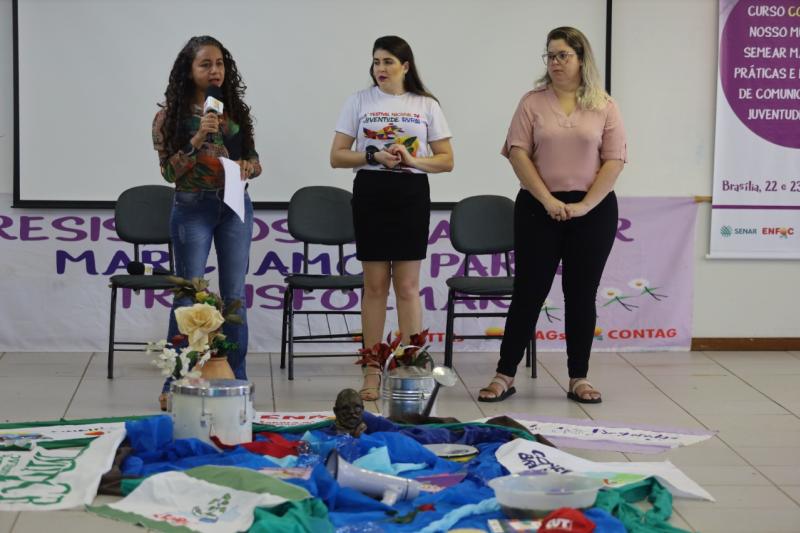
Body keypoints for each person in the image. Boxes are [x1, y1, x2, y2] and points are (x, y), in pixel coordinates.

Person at [479, 27, 626, 404]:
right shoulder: (532, 102)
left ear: (581, 58)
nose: (555, 62)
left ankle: (579, 377)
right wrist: (546, 200)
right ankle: (504, 374)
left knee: (581, 294)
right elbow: (517, 153)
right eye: (550, 56)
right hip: (536, 207)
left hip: (592, 210)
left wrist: (585, 205)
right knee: (528, 292)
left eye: (563, 55)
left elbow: (614, 160)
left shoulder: (604, 105)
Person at [330, 35, 454, 401]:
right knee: (374, 286)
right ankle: (372, 368)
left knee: (407, 287)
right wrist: (372, 156)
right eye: (376, 62)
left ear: (405, 66)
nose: (380, 68)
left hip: (410, 193)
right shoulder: (359, 100)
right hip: (371, 192)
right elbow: (337, 156)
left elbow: (446, 160)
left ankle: (410, 365)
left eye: (388, 62)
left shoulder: (425, 104)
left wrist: (414, 160)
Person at [152, 36, 261, 410]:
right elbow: (170, 172)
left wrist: (247, 167)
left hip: (234, 206)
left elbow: (255, 161)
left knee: (234, 296)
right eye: (205, 64)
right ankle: (176, 379)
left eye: (219, 64)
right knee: (188, 294)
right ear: (189, 70)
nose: (215, 71)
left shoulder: (235, 112)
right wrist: (198, 136)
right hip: (192, 207)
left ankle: (236, 378)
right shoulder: (169, 117)